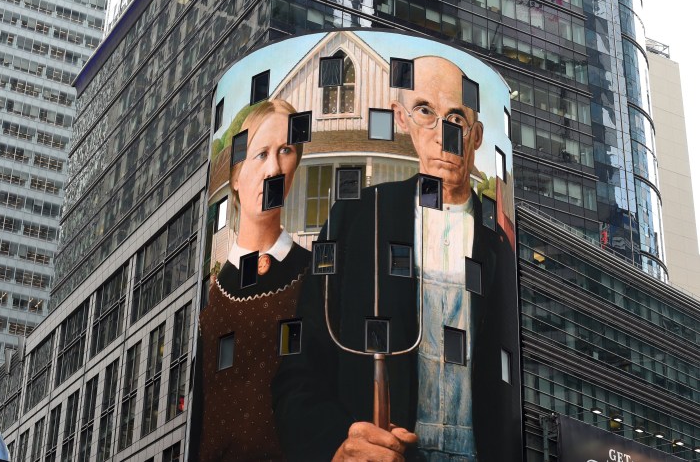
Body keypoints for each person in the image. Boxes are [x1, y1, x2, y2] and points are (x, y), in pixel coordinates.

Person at [272, 57, 521, 461]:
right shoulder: (356, 219)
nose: (444, 136)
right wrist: (336, 445)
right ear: (401, 118)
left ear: (476, 136)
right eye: (425, 111)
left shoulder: (499, 250)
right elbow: (300, 365)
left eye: (456, 119)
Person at [194, 99, 311, 461]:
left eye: (286, 151)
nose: (274, 168)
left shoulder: (315, 277)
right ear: (235, 173)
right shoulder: (211, 293)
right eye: (260, 154)